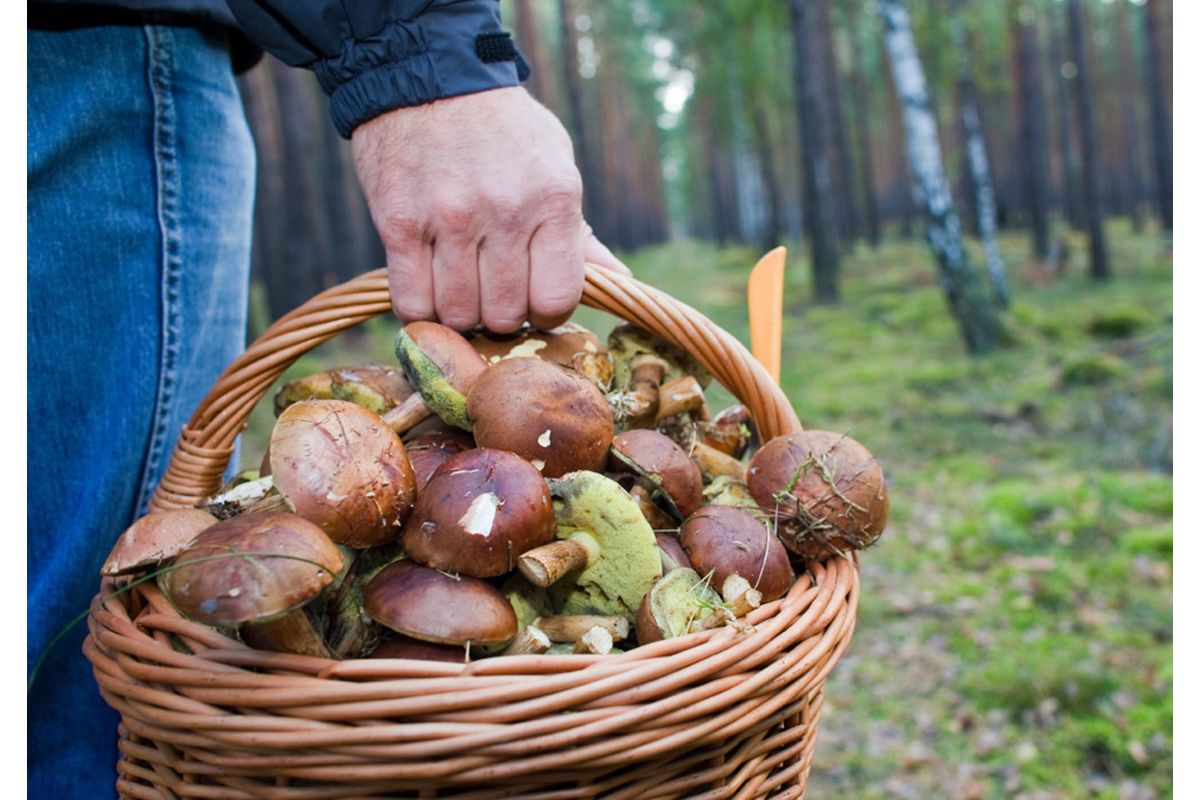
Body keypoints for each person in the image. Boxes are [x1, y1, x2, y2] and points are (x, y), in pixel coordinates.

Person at [28, 2, 626, 796]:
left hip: (83, 53)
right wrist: (424, 63)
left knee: (69, 691)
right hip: (87, 57)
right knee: (106, 669)